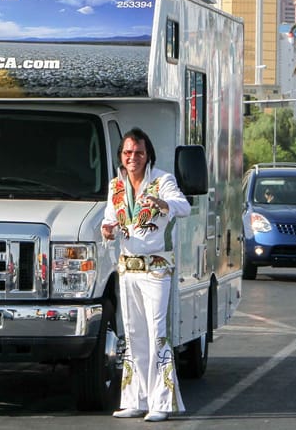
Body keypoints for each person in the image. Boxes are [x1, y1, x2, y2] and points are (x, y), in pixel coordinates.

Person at [101, 128, 190, 422]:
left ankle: (161, 402)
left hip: (156, 270)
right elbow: (110, 218)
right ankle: (135, 399)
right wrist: (107, 230)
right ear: (121, 156)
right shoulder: (116, 186)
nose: (133, 158)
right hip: (128, 269)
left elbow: (184, 206)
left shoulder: (162, 181)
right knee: (133, 334)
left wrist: (164, 204)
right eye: (128, 153)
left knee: (157, 334)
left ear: (148, 154)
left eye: (138, 152)